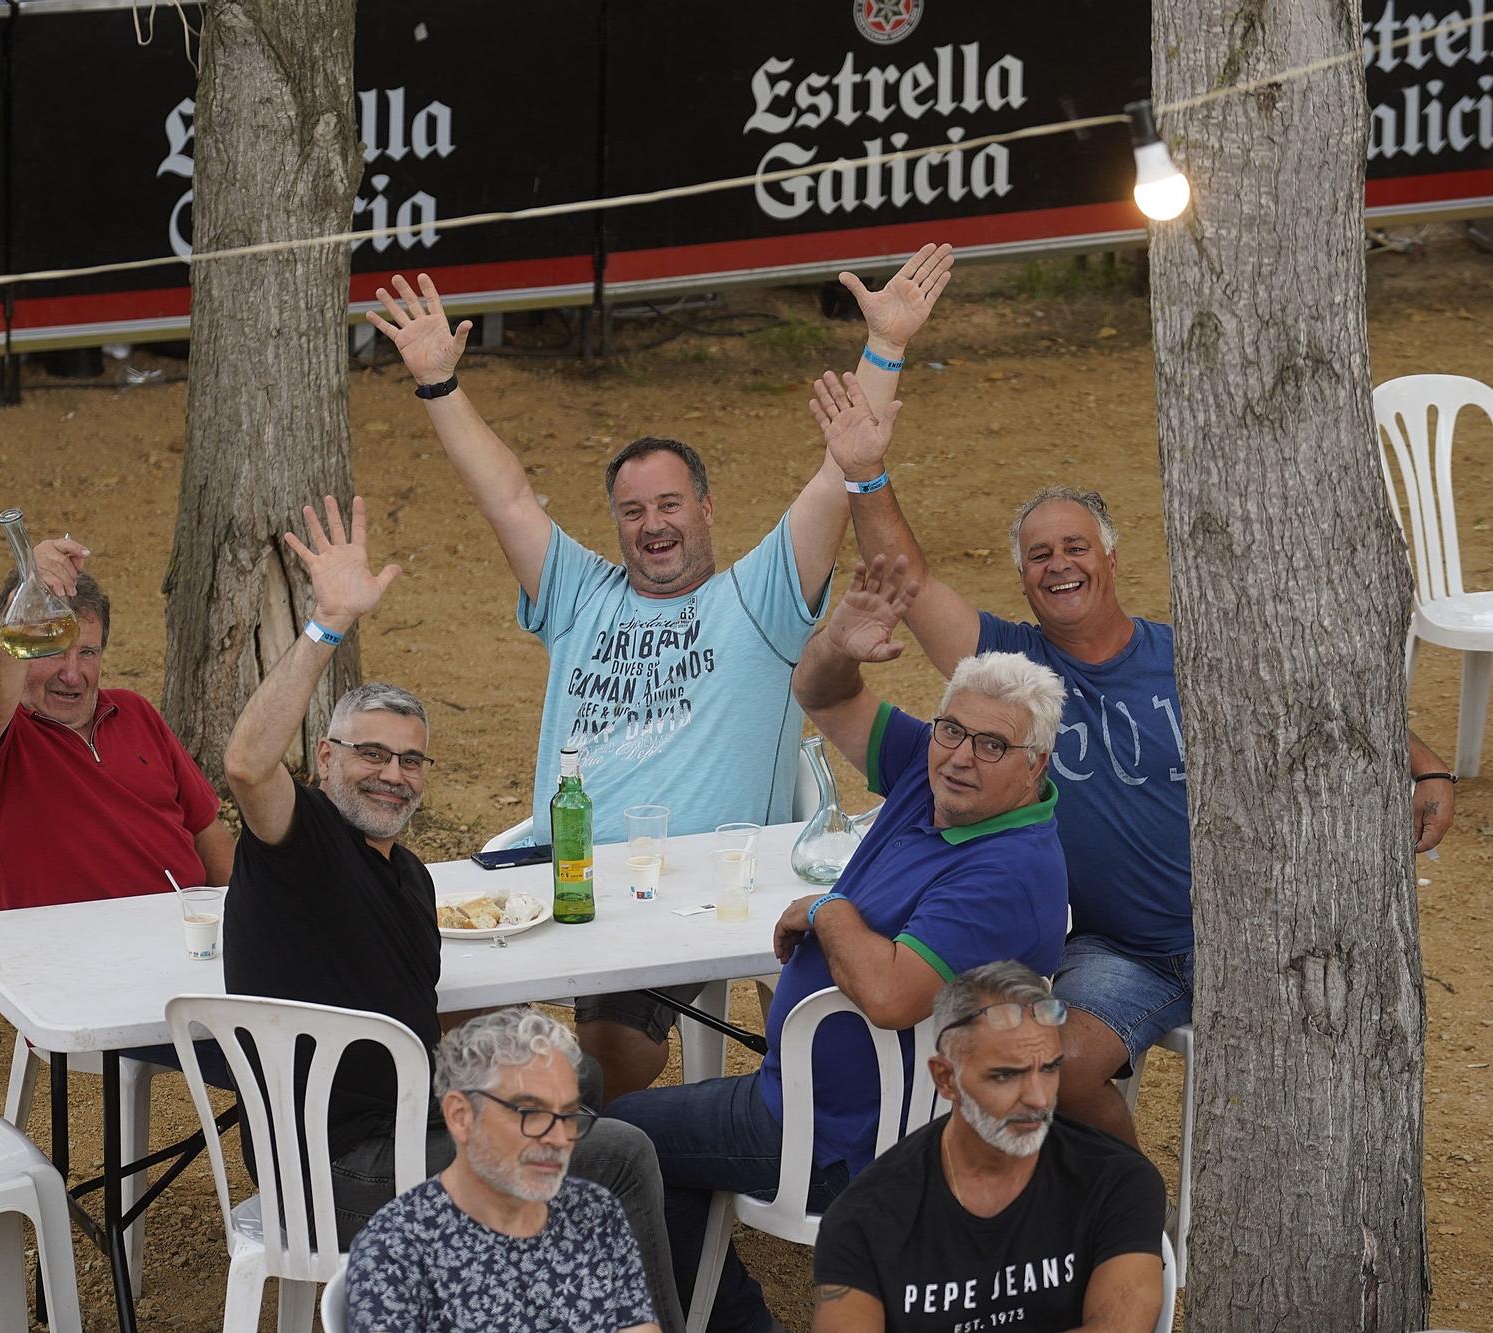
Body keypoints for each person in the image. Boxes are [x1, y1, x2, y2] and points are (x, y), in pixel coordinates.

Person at [366, 245, 958, 1098]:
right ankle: (456, 1197)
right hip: (549, 877)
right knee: (417, 1016)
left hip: (684, 893)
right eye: (633, 511)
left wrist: (887, 347)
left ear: (706, 509)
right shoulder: (579, 594)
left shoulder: (760, 597)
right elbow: (507, 499)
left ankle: (598, 1194)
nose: (653, 526)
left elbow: (839, 473)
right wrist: (438, 385)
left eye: (670, 504)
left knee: (607, 1067)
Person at [833, 437, 1458, 1144]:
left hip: (1248, 936)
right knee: (1047, 1070)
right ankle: (1136, 1227)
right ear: (1022, 577)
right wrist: (865, 473)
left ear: (1109, 559)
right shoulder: (1013, 670)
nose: (1059, 564)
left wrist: (1423, 761)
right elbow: (906, 580)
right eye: (1039, 555)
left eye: (1076, 547)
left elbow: (1312, 696)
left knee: (1319, 1089)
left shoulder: (1185, 654)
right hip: (1121, 949)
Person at [218, 495, 682, 1328]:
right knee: (618, 1152)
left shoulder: (411, 879)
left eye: (409, 759)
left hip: (411, 1124)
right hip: (334, 1171)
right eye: (369, 753)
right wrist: (327, 625)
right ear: (324, 759)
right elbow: (249, 764)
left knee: (574, 1084)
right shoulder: (302, 842)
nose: (391, 773)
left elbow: (423, 1020)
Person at [605, 557, 1071, 1332]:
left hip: (849, 1138)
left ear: (1035, 767)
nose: (959, 754)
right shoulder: (940, 776)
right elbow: (822, 692)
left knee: (616, 1143)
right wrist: (837, 643)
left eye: (991, 745)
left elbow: (889, 994)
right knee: (639, 1144)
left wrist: (829, 912)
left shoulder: (1008, 868)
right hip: (822, 1105)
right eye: (952, 729)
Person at [811, 961, 1167, 1333]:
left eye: (1048, 1068)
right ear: (946, 1079)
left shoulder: (1118, 1182)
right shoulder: (864, 1218)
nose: (1037, 1098)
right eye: (1005, 1075)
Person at [0, 532, 234, 909]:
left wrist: (251, 916)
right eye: (53, 652)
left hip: (186, 930)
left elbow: (207, 831)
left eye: (88, 652)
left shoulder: (134, 712)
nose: (73, 674)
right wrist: (25, 601)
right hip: (75, 950)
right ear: (21, 647)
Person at [344, 1008, 661, 1333]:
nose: (558, 1138)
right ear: (460, 1115)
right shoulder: (396, 1251)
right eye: (530, 1113)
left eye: (568, 1115)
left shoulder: (594, 1211)